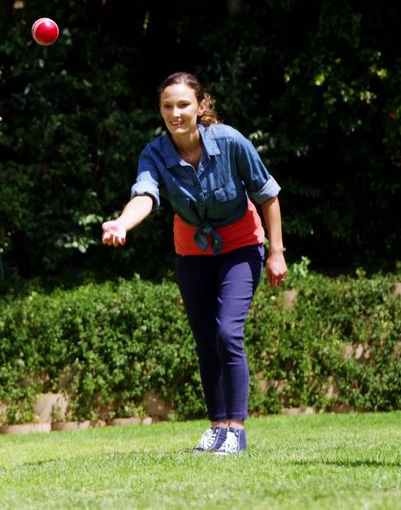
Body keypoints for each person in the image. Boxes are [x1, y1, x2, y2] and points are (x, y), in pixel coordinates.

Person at [101, 72, 287, 456]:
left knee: (227, 334)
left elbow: (267, 194)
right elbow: (146, 195)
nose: (175, 113)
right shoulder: (155, 153)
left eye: (183, 104)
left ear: (200, 106)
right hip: (192, 252)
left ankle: (237, 428)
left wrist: (277, 252)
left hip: (240, 246)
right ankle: (217, 428)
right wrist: (122, 222)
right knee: (205, 342)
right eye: (167, 106)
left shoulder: (230, 141)